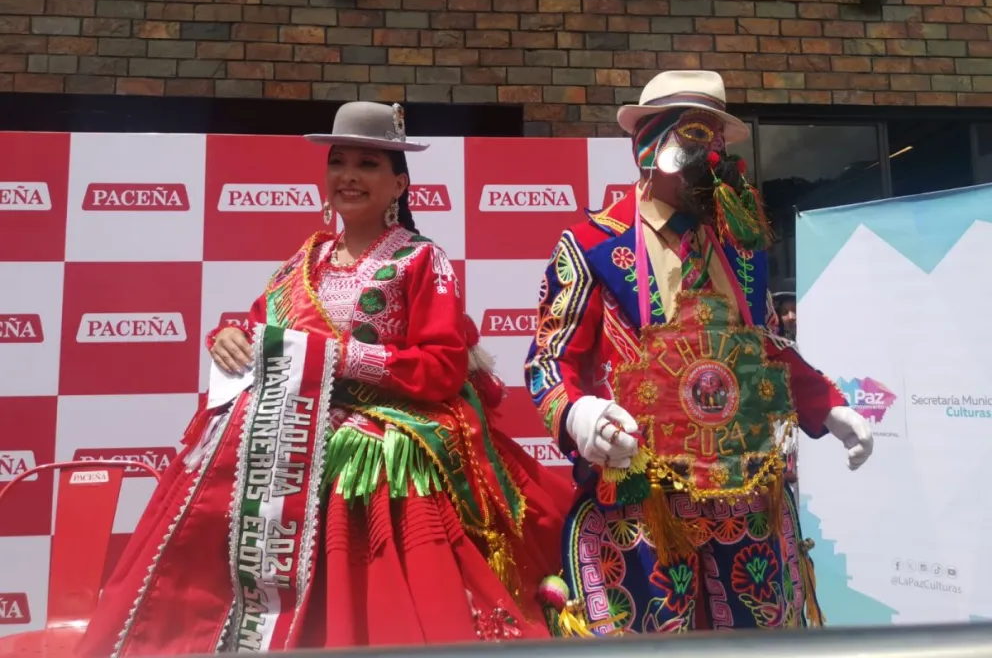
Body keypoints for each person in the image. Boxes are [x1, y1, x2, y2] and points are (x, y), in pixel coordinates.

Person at [76, 101, 571, 657]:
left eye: (368, 164)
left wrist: (336, 359)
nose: (349, 176)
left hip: (391, 425)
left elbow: (440, 368)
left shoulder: (421, 261)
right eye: (339, 162)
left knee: (364, 455)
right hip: (299, 430)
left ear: (398, 184)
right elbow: (263, 324)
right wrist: (229, 338)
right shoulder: (305, 261)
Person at [525, 71, 874, 634]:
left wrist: (826, 406)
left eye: (718, 145)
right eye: (695, 144)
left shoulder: (741, 245)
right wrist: (580, 413)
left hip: (745, 490)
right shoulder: (593, 246)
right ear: (649, 147)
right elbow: (549, 360)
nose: (713, 161)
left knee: (757, 638)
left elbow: (763, 348)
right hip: (645, 492)